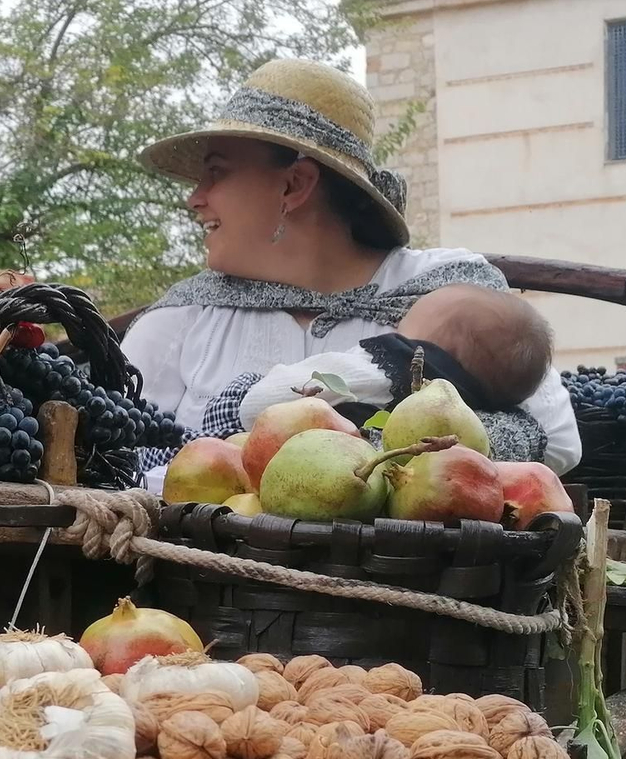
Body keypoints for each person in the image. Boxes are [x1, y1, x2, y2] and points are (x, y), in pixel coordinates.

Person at [123, 58, 579, 473]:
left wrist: (362, 453)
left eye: (216, 172)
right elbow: (117, 451)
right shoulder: (184, 318)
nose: (194, 198)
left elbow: (555, 441)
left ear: (294, 185)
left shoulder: (448, 290)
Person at [239, 284, 554, 432]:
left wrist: (256, 386)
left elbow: (258, 405)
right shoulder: (471, 416)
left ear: (433, 352)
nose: (393, 327)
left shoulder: (387, 368)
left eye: (405, 322)